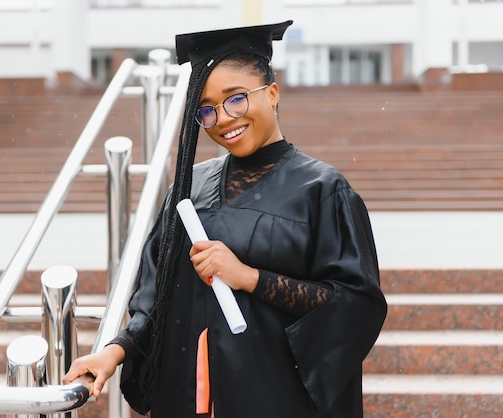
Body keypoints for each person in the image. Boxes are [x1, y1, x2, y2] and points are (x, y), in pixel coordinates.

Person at [63, 20, 387, 418]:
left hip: (276, 400)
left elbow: (354, 303)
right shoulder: (188, 188)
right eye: (207, 110)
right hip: (188, 397)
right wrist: (113, 353)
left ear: (271, 93)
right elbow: (155, 302)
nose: (224, 119)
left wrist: (249, 277)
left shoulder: (321, 190)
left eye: (236, 99)